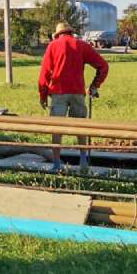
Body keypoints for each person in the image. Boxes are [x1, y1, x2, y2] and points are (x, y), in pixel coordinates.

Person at [37, 21, 109, 170]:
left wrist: (43, 95)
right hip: (77, 92)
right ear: (71, 32)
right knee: (80, 126)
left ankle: (56, 164)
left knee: (56, 129)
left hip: (58, 93)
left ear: (57, 35)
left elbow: (44, 74)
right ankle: (83, 161)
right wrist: (95, 85)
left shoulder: (53, 46)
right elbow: (103, 66)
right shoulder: (82, 45)